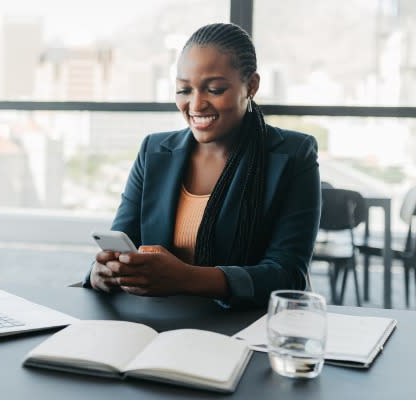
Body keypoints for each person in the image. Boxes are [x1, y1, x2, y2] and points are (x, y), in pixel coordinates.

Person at [82, 23, 321, 308]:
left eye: (214, 89)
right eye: (184, 90)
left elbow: (287, 275)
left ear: (252, 86)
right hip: (156, 325)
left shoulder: (293, 155)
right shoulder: (154, 152)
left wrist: (186, 279)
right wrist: (103, 273)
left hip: (245, 328)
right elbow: (123, 242)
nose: (196, 104)